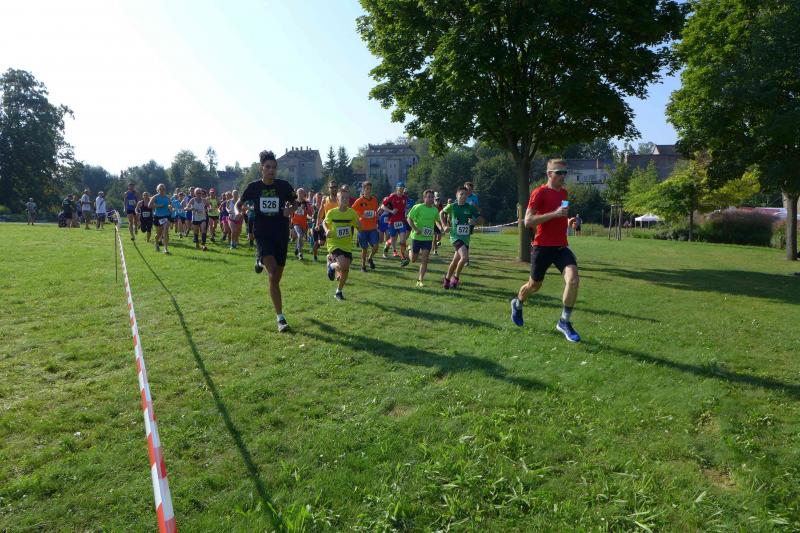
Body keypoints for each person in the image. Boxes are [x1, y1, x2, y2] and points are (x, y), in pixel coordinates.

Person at [510, 159, 581, 343]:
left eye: (565, 173)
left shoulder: (564, 193)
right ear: (549, 173)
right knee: (534, 286)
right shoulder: (539, 192)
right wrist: (554, 214)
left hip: (561, 246)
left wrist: (568, 221)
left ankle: (564, 321)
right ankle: (518, 303)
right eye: (559, 172)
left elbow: (560, 216)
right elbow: (528, 221)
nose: (563, 176)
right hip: (542, 247)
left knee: (573, 280)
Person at [237, 150, 297, 332]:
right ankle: (280, 318)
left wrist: (290, 209)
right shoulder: (253, 187)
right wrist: (239, 212)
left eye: (274, 167)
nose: (271, 170)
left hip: (281, 234)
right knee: (272, 272)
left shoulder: (284, 186)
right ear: (261, 168)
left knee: (276, 278)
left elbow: (295, 203)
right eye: (268, 167)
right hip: (263, 233)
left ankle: (259, 262)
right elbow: (239, 203)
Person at [323, 184, 361, 301]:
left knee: (345, 269)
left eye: (346, 198)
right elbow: (324, 222)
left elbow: (358, 225)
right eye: (342, 198)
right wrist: (327, 230)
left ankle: (338, 292)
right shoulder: (332, 212)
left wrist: (359, 224)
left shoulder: (352, 213)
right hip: (334, 243)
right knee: (343, 265)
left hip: (347, 245)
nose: (345, 200)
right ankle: (331, 265)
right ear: (338, 200)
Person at [440, 186, 479, 289]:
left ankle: (447, 279)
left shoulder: (470, 207)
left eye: (465, 194)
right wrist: (444, 225)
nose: (464, 196)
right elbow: (441, 213)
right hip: (455, 237)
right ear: (456, 196)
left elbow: (480, 218)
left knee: (455, 261)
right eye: (461, 194)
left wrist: (474, 221)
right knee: (464, 257)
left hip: (466, 238)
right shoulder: (452, 206)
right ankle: (456, 278)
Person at [406, 189, 439, 287]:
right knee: (413, 259)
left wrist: (440, 228)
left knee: (425, 258)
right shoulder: (418, 207)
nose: (431, 199)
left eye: (432, 197)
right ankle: (409, 249)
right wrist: (415, 229)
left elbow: (437, 220)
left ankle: (420, 280)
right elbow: (409, 218)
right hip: (417, 237)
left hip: (428, 238)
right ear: (424, 198)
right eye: (428, 197)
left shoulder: (435, 210)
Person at [352, 181, 381, 272]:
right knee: (364, 248)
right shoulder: (359, 201)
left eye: (370, 189)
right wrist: (361, 215)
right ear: (363, 189)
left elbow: (375, 211)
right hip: (363, 228)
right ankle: (363, 266)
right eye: (367, 189)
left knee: (376, 246)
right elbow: (352, 210)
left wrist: (377, 215)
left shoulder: (374, 200)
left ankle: (370, 258)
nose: (368, 190)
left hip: (372, 228)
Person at [382, 182, 410, 266]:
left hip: (401, 221)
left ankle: (403, 258)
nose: (401, 190)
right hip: (392, 221)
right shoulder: (392, 196)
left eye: (402, 188)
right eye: (400, 188)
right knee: (393, 240)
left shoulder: (405, 198)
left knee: (402, 240)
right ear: (397, 189)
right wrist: (391, 211)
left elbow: (405, 207)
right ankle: (386, 246)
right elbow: (382, 206)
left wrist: (406, 212)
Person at [313, 180, 339, 262]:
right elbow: (320, 213)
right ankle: (331, 261)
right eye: (332, 187)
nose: (334, 189)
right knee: (326, 245)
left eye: (335, 187)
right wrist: (317, 224)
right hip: (327, 228)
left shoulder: (340, 199)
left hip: (338, 227)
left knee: (335, 248)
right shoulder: (325, 200)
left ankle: (332, 262)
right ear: (329, 189)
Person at [149, 183, 173, 254]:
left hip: (166, 216)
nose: (162, 190)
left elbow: (170, 206)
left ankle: (165, 249)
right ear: (157, 190)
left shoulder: (167, 197)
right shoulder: (155, 197)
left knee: (165, 231)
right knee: (159, 233)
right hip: (158, 217)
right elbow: (149, 205)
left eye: (163, 189)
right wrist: (158, 206)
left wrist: (170, 207)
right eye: (160, 189)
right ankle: (156, 242)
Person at [290, 188, 312, 260]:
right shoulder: (294, 202)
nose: (300, 194)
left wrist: (305, 209)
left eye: (302, 193)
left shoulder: (306, 203)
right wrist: (290, 222)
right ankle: (300, 254)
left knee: (301, 238)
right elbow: (291, 212)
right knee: (299, 235)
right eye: (299, 193)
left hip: (304, 223)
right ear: (297, 194)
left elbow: (310, 214)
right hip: (296, 222)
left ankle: (297, 247)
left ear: (304, 194)